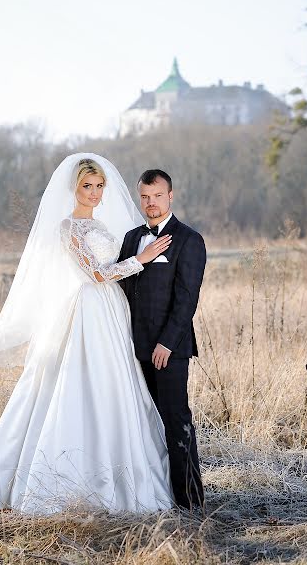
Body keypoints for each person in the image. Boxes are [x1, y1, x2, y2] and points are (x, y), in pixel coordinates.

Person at [0, 153, 175, 515]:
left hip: (111, 311)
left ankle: (124, 475)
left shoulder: (105, 228)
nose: (93, 193)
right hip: (87, 309)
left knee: (116, 385)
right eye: (86, 187)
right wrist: (143, 258)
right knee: (76, 383)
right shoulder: (68, 227)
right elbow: (94, 274)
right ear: (74, 189)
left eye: (99, 186)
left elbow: (112, 269)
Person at [117, 169, 206, 511]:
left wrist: (167, 343)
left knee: (175, 418)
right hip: (132, 348)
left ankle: (190, 502)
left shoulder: (188, 240)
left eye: (157, 196)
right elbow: (122, 286)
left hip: (169, 350)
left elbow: (186, 299)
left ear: (171, 196)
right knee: (142, 422)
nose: (151, 203)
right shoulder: (131, 239)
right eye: (145, 197)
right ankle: (156, 496)